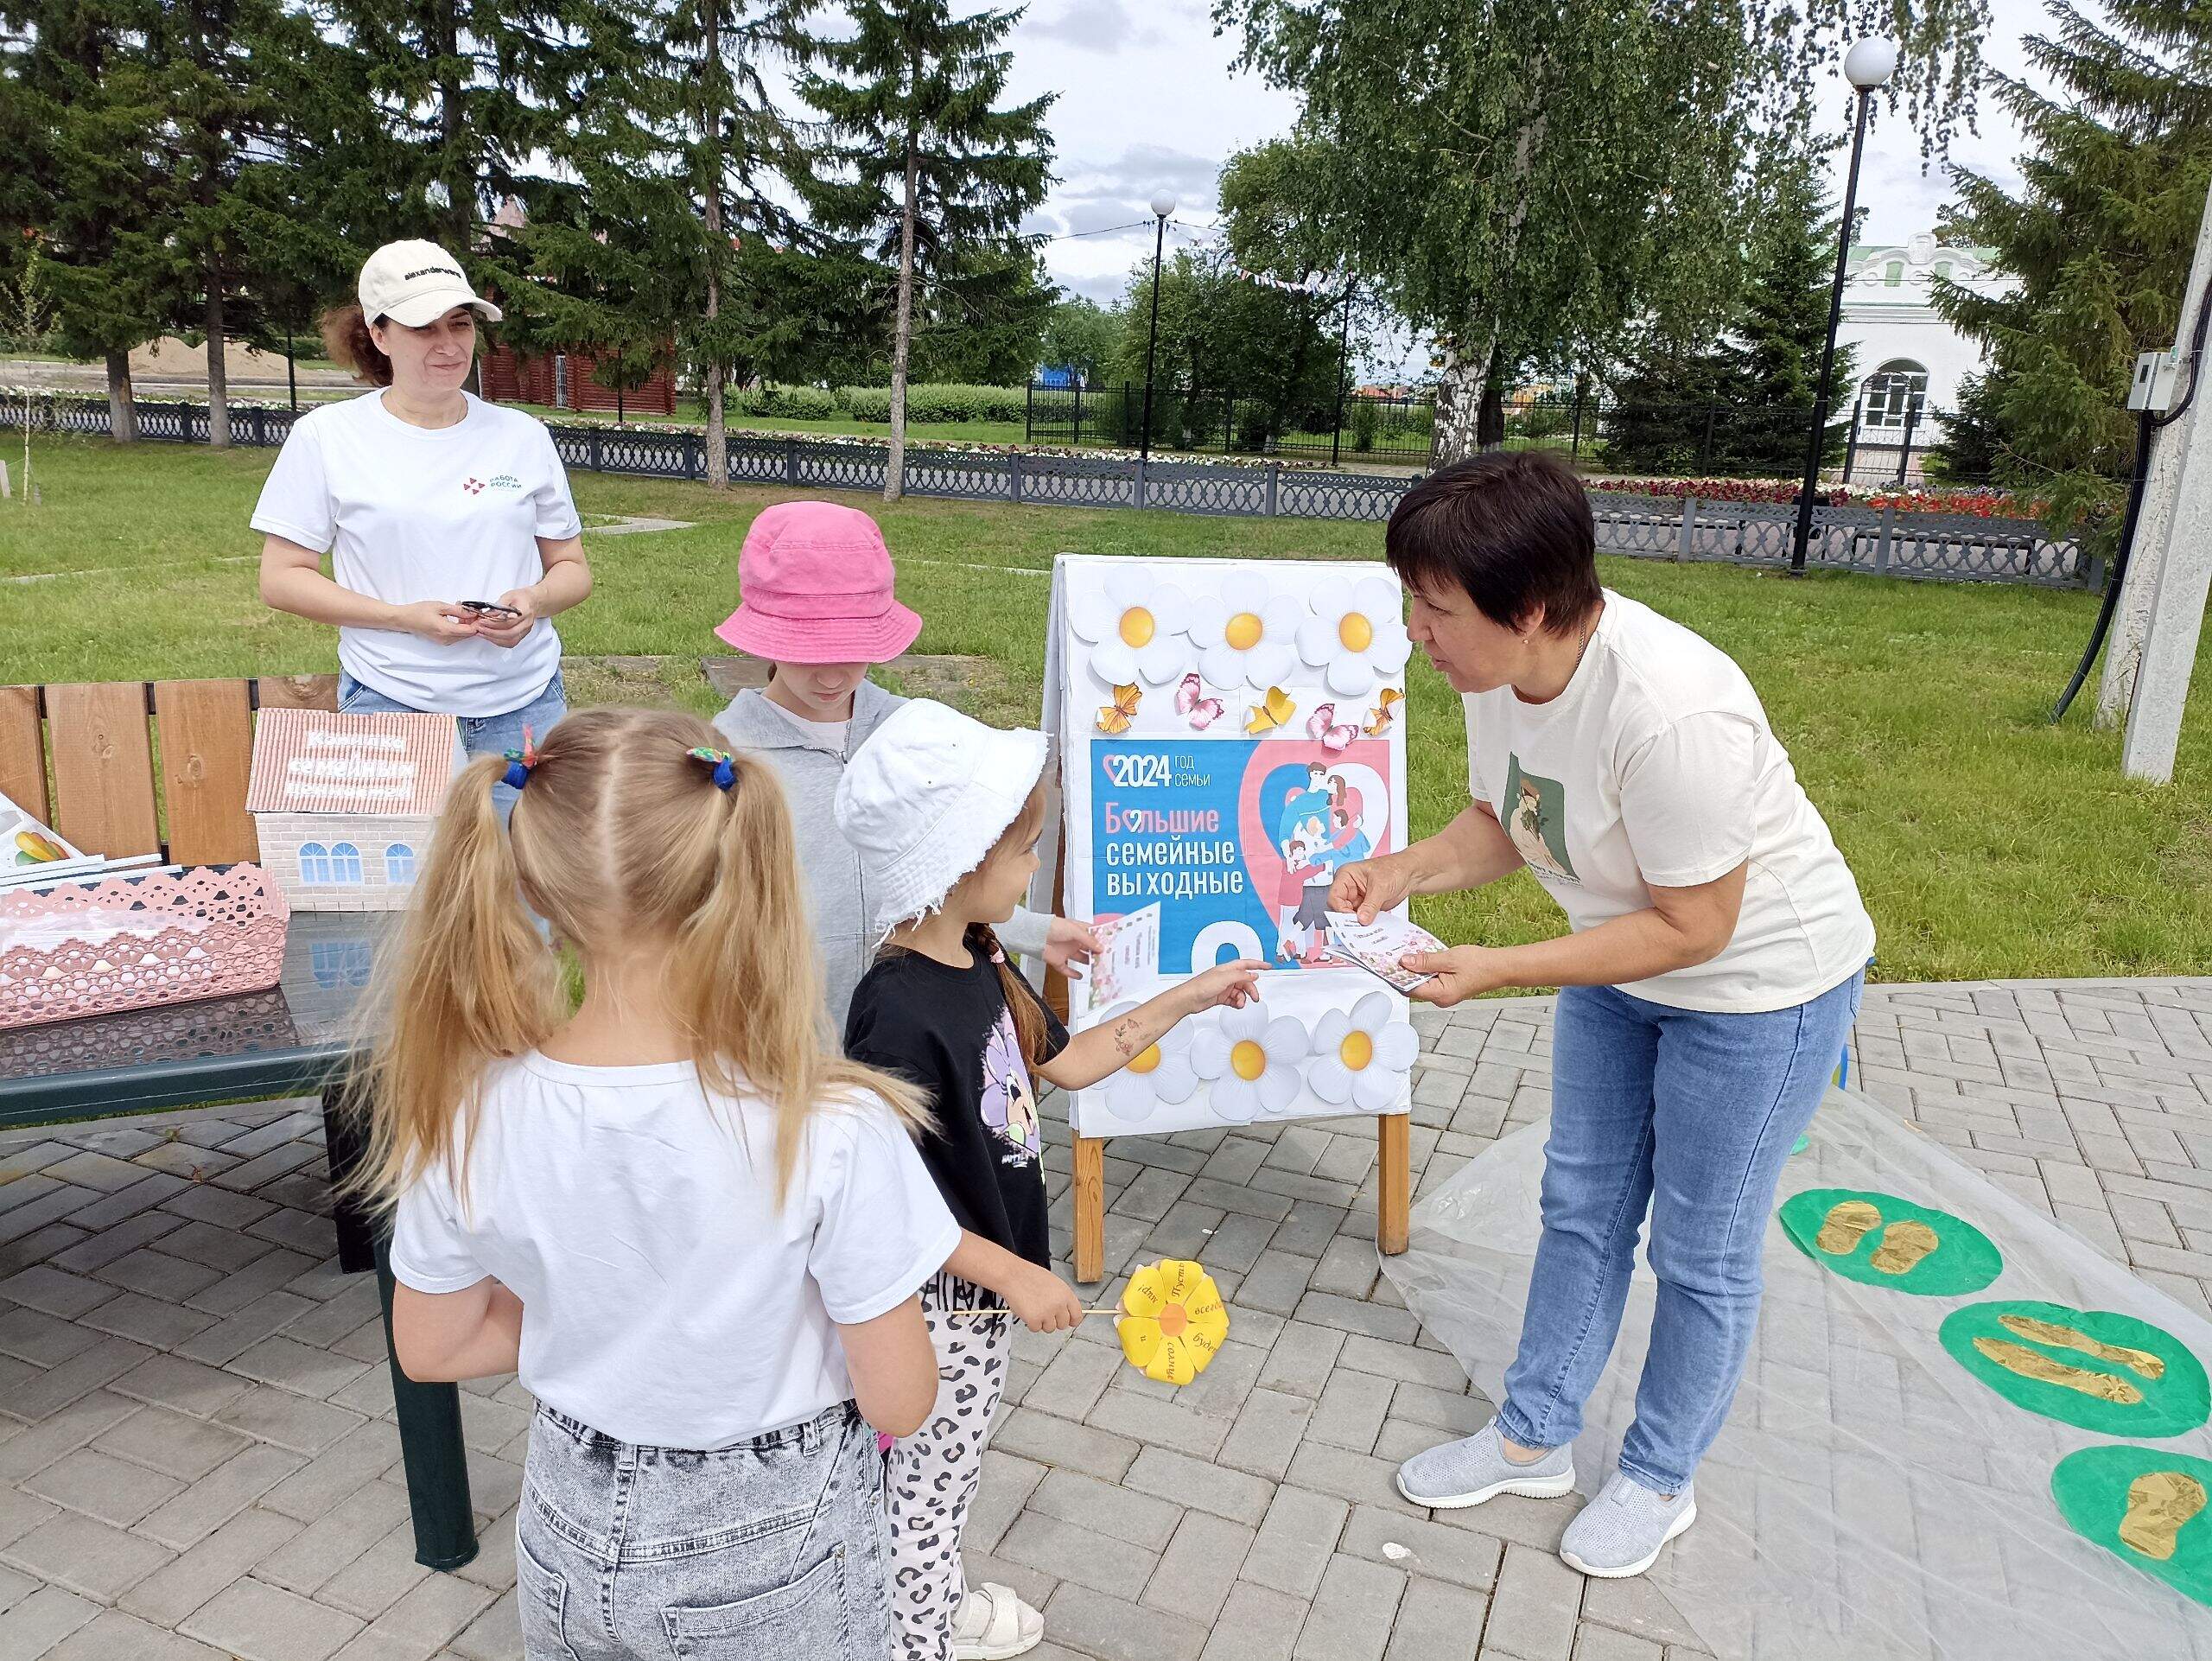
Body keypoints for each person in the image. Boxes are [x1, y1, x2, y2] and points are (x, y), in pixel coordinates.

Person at [1334, 452, 1874, 1581]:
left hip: (1758, 991)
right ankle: (1533, 1436)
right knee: (1580, 1205)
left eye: (1435, 609)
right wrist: (1405, 870)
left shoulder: (1675, 713)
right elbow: (1512, 816)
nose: (1416, 633)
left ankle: (1658, 1475)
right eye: (1413, 603)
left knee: (1703, 1247)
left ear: (1528, 609)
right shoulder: (1500, 677)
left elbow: (1696, 926)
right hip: (1622, 960)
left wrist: (1501, 965)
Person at [358, 706, 955, 1659]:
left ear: (533, 883)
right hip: (774, 1541)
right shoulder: (830, 1125)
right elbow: (899, 1400)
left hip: (565, 1516)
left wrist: (591, 1307)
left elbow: (431, 1344)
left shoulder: (467, 1112)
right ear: (737, 872)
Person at [835, 699, 1262, 1661]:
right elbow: (884, 1206)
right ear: (959, 856)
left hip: (983, 1295)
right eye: (1025, 848)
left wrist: (1191, 995)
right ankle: (914, 1632)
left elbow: (1065, 1064)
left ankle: (933, 1598)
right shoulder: (895, 1010)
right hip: (937, 1304)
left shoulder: (981, 954)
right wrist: (1014, 1274)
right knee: (919, 1494)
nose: (1036, 869)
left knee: (946, 1478)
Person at [710, 500, 1094, 1028]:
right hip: (790, 1041)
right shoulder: (728, 761)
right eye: (808, 652)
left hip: (912, 1034)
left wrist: (1033, 930)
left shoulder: (914, 739)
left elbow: (949, 875)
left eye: (852, 650)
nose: (831, 677)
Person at [253, 239, 592, 816]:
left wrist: (533, 601)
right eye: (423, 328)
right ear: (378, 335)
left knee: (532, 891)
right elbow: (282, 579)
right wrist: (401, 619)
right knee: (411, 894)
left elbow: (573, 569)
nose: (448, 344)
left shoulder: (522, 436)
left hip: (525, 705)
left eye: (459, 324)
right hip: (394, 701)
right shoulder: (328, 437)